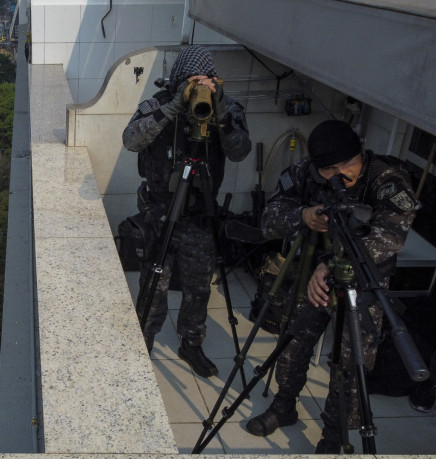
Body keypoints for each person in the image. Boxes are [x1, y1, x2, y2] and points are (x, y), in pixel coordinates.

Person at [245, 120, 418, 453]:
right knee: (293, 344)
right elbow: (269, 218)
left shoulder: (387, 181)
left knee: (352, 365)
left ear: (360, 154)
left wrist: (334, 265)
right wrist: (304, 215)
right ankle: (284, 405)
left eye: (348, 165)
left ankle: (335, 433)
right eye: (330, 169)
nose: (343, 175)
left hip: (362, 283)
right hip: (313, 277)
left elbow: (391, 237)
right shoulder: (305, 173)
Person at [121, 45, 251, 377]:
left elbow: (239, 152)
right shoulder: (158, 105)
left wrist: (219, 112)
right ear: (179, 81)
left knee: (198, 288)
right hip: (160, 213)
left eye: (205, 81)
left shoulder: (228, 108)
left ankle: (191, 343)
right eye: (194, 82)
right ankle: (143, 341)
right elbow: (131, 140)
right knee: (154, 282)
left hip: (199, 217)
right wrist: (175, 106)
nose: (200, 88)